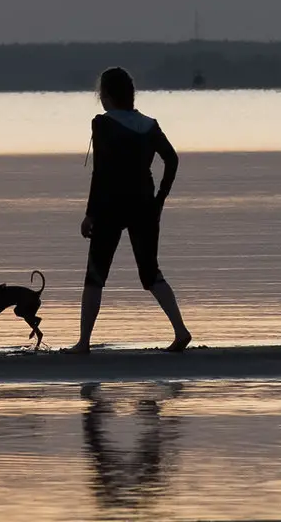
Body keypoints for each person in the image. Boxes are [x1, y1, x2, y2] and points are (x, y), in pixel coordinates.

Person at [69, 66, 192, 353]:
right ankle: (180, 330)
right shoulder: (150, 125)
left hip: (111, 205)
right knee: (150, 272)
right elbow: (171, 160)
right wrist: (160, 199)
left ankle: (84, 342)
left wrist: (90, 213)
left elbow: (100, 173)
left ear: (107, 95)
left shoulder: (103, 124)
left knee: (95, 274)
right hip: (144, 204)